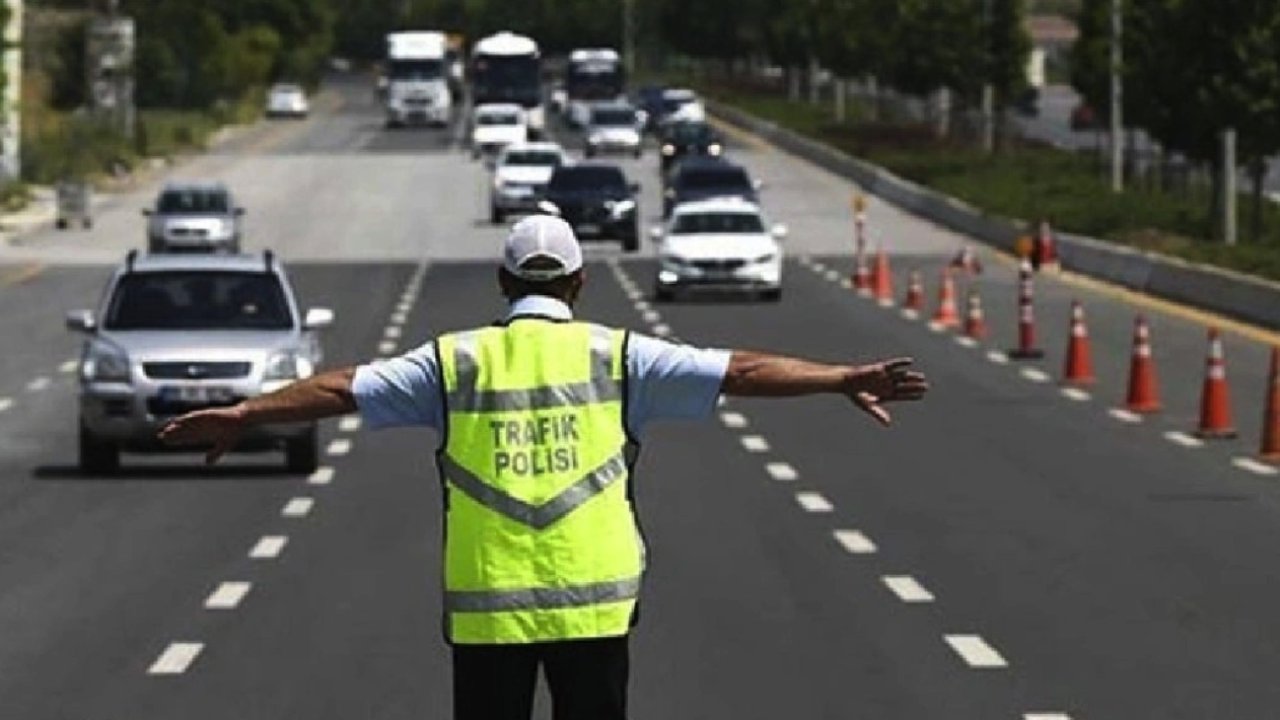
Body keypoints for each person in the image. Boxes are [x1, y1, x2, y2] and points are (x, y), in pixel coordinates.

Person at [158, 215, 929, 720]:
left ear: (502, 284)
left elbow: (339, 388)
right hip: (594, 608)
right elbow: (742, 370)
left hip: (488, 607)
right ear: (578, 283)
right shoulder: (619, 354)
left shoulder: (453, 362)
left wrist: (245, 412)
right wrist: (839, 378)